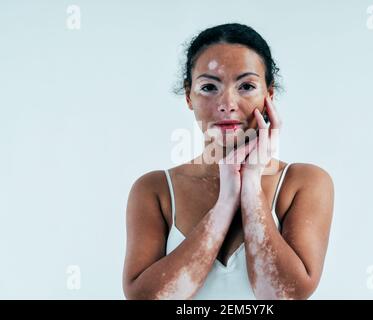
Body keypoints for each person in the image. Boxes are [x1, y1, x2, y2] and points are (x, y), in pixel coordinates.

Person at [122, 23, 334, 300]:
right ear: (189, 96)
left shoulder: (303, 182)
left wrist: (251, 185)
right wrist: (225, 202)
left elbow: (283, 296)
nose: (227, 103)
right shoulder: (154, 189)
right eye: (209, 87)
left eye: (246, 86)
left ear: (268, 95)